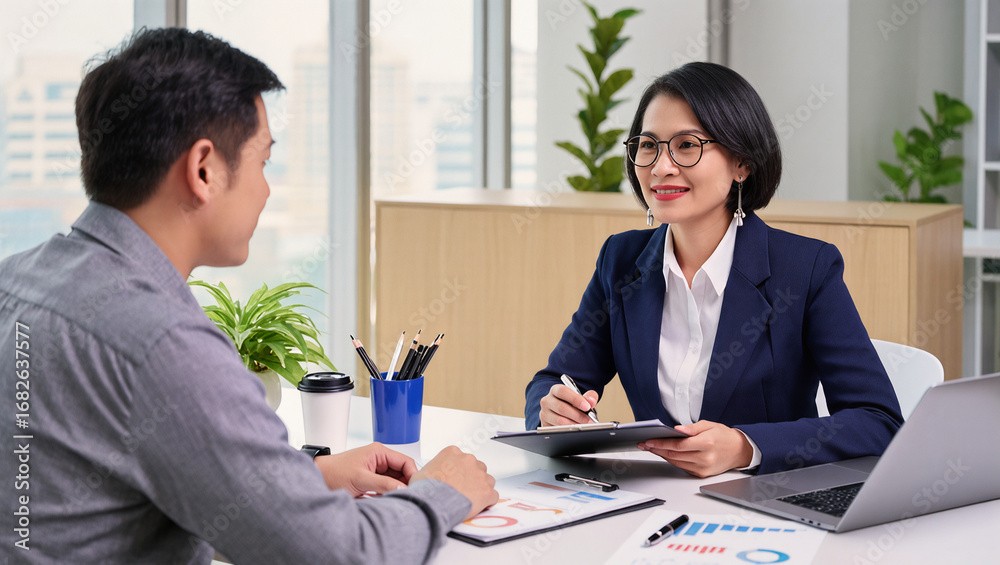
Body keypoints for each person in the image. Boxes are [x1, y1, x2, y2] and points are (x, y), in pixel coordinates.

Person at [0, 28, 496, 564]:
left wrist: (304, 477)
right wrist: (445, 491)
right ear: (204, 169)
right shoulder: (162, 342)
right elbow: (340, 556)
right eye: (263, 162)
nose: (266, 189)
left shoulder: (16, 282)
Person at [524, 62, 903, 478]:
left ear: (741, 163)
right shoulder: (621, 261)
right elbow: (555, 380)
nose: (661, 166)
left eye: (687, 145)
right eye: (648, 145)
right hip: (656, 501)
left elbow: (878, 421)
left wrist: (746, 447)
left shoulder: (806, 269)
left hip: (767, 506)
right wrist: (553, 410)